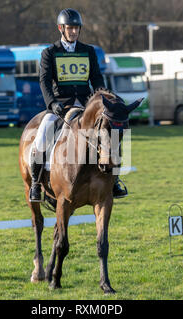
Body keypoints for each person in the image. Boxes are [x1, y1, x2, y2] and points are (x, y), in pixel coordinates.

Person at [29, 8, 128, 202]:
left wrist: (104, 100)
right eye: (70, 28)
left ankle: (114, 180)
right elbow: (44, 82)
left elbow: (97, 79)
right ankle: (35, 183)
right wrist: (52, 103)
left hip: (87, 106)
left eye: (76, 28)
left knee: (111, 134)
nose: (74, 32)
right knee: (42, 134)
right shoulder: (50, 52)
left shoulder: (88, 51)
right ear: (61, 28)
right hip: (61, 106)